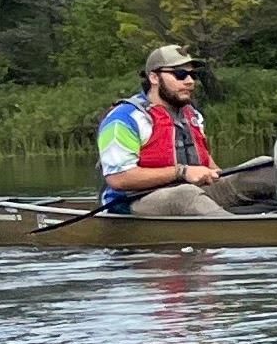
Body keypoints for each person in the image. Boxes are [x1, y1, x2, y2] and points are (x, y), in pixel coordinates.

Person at [96, 44, 231, 218]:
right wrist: (182, 171)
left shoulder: (192, 115)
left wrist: (222, 178)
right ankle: (242, 229)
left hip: (194, 192)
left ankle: (269, 220)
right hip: (134, 202)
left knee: (261, 168)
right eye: (180, 74)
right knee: (185, 195)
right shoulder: (123, 119)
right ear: (154, 77)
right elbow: (118, 179)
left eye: (193, 75)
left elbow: (208, 162)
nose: (190, 81)